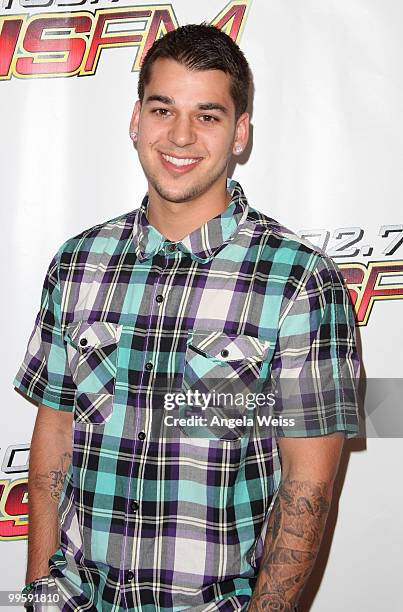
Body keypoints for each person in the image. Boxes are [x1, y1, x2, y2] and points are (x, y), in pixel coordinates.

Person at [14, 23, 360, 612]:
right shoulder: (77, 262)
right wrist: (41, 595)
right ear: (135, 119)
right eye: (162, 108)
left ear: (240, 132)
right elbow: (55, 434)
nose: (180, 135)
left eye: (208, 115)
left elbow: (310, 487)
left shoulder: (301, 280)